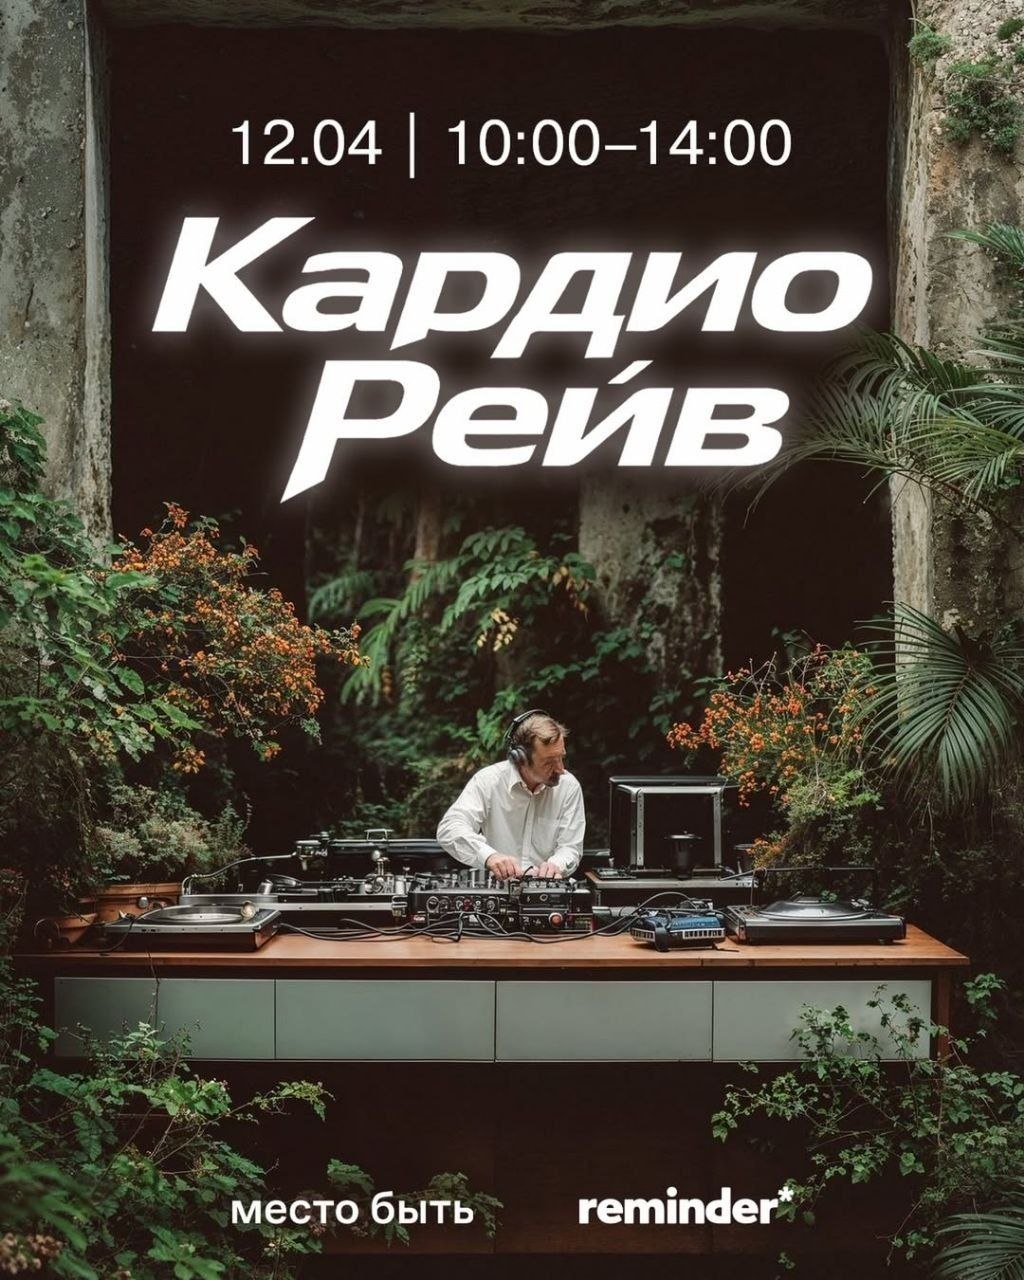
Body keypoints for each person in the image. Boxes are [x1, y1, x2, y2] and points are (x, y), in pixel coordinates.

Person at [436, 710, 585, 880]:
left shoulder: (569, 787)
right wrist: (489, 856)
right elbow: (450, 828)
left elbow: (570, 847)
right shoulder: (488, 781)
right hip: (498, 890)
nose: (560, 769)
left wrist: (557, 865)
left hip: (548, 890)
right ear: (521, 759)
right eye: (549, 762)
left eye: (561, 757)